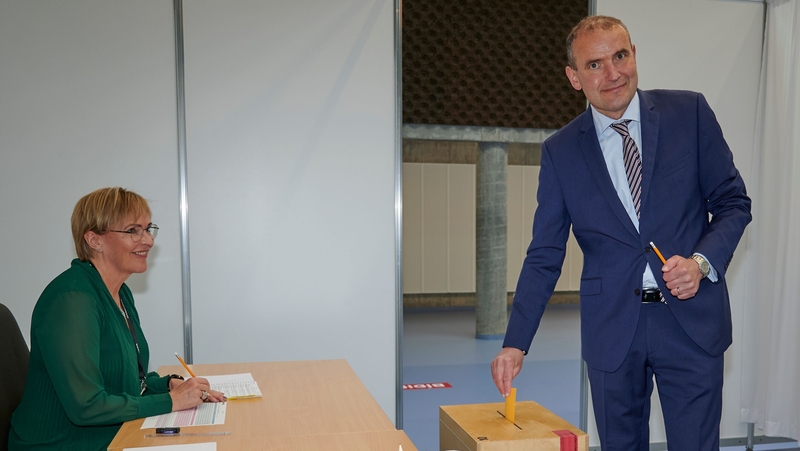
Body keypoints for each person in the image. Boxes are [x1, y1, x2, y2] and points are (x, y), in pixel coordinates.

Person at [490, 15, 752, 451]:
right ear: (574, 77)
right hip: (612, 331)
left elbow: (733, 203)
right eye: (594, 65)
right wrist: (515, 343)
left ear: (634, 56)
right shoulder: (560, 152)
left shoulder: (689, 113)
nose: (612, 74)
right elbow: (545, 253)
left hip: (690, 325)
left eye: (620, 56)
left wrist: (701, 262)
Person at [9, 187, 225, 451]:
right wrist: (171, 401)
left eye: (147, 229)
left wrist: (167, 385)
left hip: (110, 437)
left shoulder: (119, 291)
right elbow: (87, 407)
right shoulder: (71, 301)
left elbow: (128, 381)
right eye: (133, 230)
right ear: (94, 240)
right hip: (64, 445)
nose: (147, 240)